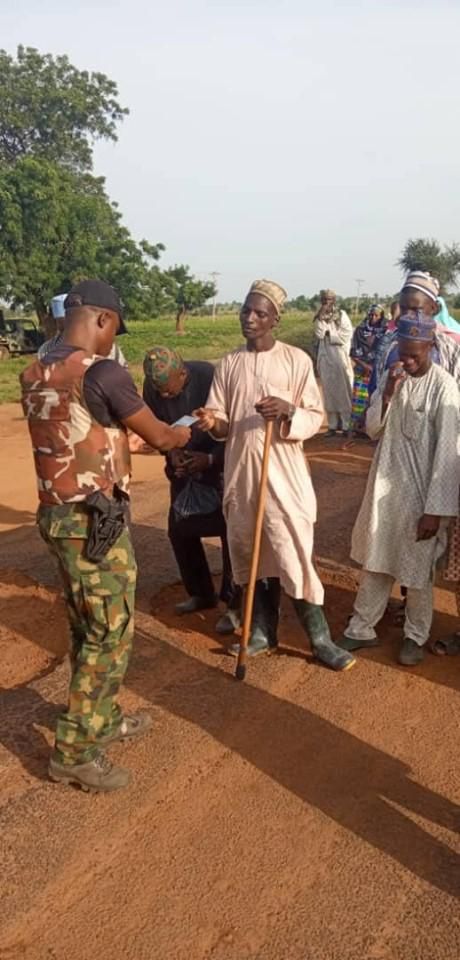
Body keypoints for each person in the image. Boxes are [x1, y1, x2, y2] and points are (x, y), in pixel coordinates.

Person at [20, 280, 191, 793]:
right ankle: (75, 751)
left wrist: (125, 444)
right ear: (101, 320)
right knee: (109, 634)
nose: (113, 337)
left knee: (85, 623)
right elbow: (161, 436)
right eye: (114, 326)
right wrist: (184, 431)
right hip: (96, 525)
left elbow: (80, 434)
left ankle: (104, 716)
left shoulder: (36, 371)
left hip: (57, 515)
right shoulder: (103, 372)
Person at [193, 279, 355, 672]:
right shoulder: (229, 363)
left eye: (259, 313)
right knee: (250, 554)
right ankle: (262, 631)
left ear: (275, 319)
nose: (250, 318)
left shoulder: (296, 360)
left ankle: (319, 639)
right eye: (246, 310)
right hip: (242, 475)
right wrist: (213, 421)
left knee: (292, 551)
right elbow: (223, 424)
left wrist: (286, 411)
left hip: (284, 475)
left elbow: (315, 418)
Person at [339, 311, 459, 666]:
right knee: (376, 560)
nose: (405, 360)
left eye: (413, 354)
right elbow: (372, 430)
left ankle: (414, 636)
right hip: (385, 489)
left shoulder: (444, 388)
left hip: (422, 497)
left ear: (431, 347)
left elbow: (448, 455)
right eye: (402, 353)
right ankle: (362, 628)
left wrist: (435, 511)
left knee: (417, 571)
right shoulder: (395, 378)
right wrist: (388, 394)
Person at [142, 346, 241, 633]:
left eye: (168, 391)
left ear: (183, 374)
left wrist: (210, 459)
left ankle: (234, 605)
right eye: (157, 390)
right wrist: (170, 453)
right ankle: (201, 593)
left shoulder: (210, 378)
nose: (163, 396)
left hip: (220, 463)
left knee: (230, 532)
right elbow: (155, 425)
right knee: (179, 529)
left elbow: (235, 430)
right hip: (183, 463)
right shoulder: (153, 386)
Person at [38, 292, 128, 367]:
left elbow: (123, 373)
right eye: (62, 321)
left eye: (72, 320)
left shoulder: (108, 348)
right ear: (56, 322)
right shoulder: (46, 350)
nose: (68, 325)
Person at [314, 289, 353, 437]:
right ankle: (332, 425)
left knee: (343, 391)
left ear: (334, 300)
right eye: (324, 300)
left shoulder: (342, 315)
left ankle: (345, 425)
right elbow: (319, 333)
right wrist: (322, 321)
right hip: (325, 358)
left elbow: (347, 333)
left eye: (329, 300)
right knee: (329, 392)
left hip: (338, 357)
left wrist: (331, 335)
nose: (326, 303)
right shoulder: (319, 317)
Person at [346, 304, 387, 444]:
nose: (373, 318)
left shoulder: (385, 332)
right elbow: (353, 352)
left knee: (374, 400)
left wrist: (373, 367)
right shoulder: (359, 330)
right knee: (359, 400)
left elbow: (384, 352)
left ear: (381, 316)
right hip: (361, 370)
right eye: (371, 315)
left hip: (378, 371)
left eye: (376, 315)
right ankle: (356, 429)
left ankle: (371, 430)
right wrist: (364, 365)